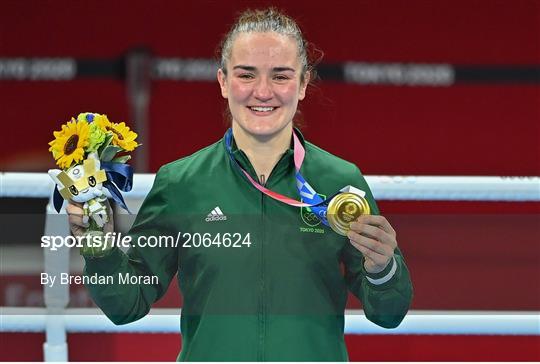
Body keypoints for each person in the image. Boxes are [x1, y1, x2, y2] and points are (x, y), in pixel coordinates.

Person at [67, 8, 413, 361]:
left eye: (280, 76)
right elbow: (128, 304)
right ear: (222, 81)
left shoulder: (341, 182)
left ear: (304, 83)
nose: (262, 92)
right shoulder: (180, 183)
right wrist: (101, 251)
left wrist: (383, 267)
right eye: (246, 75)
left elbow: (388, 313)